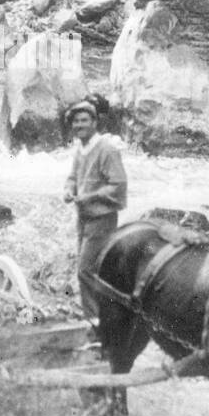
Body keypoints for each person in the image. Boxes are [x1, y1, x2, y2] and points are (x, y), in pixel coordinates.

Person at [63, 100, 128, 322]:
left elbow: (118, 185)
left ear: (94, 123)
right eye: (75, 121)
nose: (79, 125)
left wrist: (91, 196)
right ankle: (98, 318)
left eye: (84, 120)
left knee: (85, 270)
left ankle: (95, 322)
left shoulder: (107, 149)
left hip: (102, 219)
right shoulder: (80, 148)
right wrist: (68, 189)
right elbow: (73, 177)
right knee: (91, 270)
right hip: (84, 218)